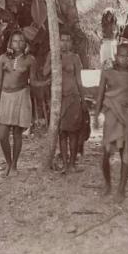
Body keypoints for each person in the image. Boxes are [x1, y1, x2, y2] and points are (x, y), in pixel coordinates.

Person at [0, 30, 49, 176]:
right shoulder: (3, 58)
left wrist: (47, 82)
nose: (18, 44)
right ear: (10, 43)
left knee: (17, 133)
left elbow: (34, 81)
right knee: (2, 135)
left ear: (25, 43)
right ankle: (8, 162)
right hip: (5, 97)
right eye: (15, 41)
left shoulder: (30, 59)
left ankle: (14, 166)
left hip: (21, 97)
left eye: (21, 41)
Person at [95, 43, 128, 203]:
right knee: (106, 152)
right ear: (116, 56)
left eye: (127, 56)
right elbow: (100, 95)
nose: (124, 59)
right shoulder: (107, 74)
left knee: (125, 153)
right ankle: (107, 184)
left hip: (127, 117)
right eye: (121, 56)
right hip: (111, 116)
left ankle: (121, 188)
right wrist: (95, 116)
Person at [44, 31, 86, 174]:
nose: (65, 43)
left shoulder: (75, 58)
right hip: (59, 99)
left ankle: (72, 163)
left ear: (71, 42)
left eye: (68, 40)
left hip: (73, 98)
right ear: (58, 41)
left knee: (73, 133)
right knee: (62, 132)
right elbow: (45, 72)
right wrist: (56, 61)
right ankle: (65, 163)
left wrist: (83, 100)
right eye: (62, 40)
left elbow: (79, 80)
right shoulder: (53, 55)